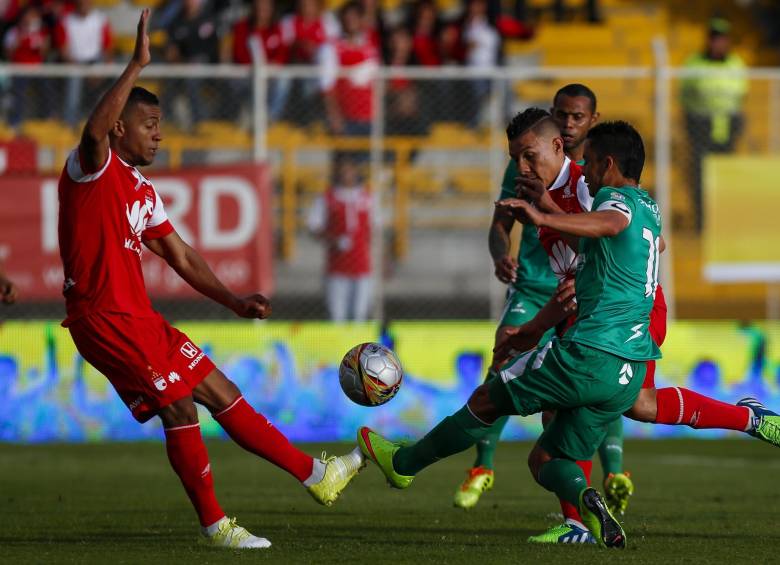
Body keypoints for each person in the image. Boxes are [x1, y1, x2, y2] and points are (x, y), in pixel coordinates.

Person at [357, 121, 780, 549]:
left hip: (592, 348)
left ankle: (404, 464)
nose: (585, 168)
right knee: (551, 454)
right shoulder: (646, 206)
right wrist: (534, 325)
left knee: (488, 399)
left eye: (588, 160)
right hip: (627, 361)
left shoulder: (609, 196)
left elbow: (612, 222)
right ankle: (585, 506)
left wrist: (544, 216)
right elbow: (607, 256)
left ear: (600, 161)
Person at [57, 10, 363, 549]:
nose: (159, 134)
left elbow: (180, 254)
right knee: (178, 406)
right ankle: (216, 525)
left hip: (141, 318)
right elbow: (93, 130)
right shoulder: (92, 167)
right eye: (150, 124)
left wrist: (233, 300)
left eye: (160, 125)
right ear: (121, 127)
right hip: (103, 317)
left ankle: (316, 475)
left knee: (220, 390)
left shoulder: (142, 190)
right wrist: (136, 64)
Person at [452, 84, 597, 519]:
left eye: (576, 117)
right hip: (534, 285)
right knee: (502, 363)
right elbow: (500, 224)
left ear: (590, 121)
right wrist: (501, 255)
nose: (568, 124)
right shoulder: (523, 164)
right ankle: (482, 467)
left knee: (574, 399)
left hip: (577, 292)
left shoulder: (594, 173)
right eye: (561, 115)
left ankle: (591, 493)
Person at [681, 17, 747, 232]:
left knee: (726, 177)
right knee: (700, 178)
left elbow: (741, 96)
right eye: (714, 38)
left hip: (727, 127)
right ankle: (702, 223)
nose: (718, 42)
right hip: (701, 125)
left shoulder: (736, 63)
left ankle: (725, 220)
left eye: (722, 38)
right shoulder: (694, 62)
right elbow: (685, 96)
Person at [306, 152, 373, 322]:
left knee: (360, 315)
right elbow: (313, 226)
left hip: (362, 266)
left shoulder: (367, 197)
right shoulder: (327, 198)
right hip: (337, 267)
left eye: (350, 170)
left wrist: (384, 258)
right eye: (343, 170)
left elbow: (375, 230)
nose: (346, 174)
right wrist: (333, 240)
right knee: (337, 317)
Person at [319, 1, 379, 136]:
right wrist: (334, 116)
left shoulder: (372, 44)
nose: (351, 22)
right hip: (347, 118)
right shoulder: (331, 48)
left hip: (373, 117)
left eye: (354, 17)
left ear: (361, 19)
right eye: (347, 18)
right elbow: (327, 87)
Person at [53, 0, 113, 126]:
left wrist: (101, 70)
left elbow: (107, 49)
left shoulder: (101, 19)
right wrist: (82, 70)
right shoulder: (65, 20)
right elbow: (63, 51)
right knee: (74, 78)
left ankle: (103, 119)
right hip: (74, 63)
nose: (84, 5)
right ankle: (70, 122)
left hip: (95, 62)